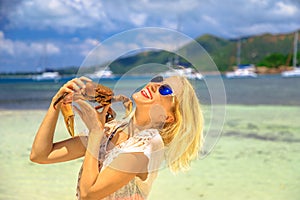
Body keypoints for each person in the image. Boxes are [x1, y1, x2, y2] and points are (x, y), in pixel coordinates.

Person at [30, 75, 204, 200]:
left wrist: (95, 135)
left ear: (168, 117)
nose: (154, 86)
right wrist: (57, 102)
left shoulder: (147, 147)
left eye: (165, 90)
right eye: (158, 80)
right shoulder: (112, 129)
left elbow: (88, 195)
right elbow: (40, 155)